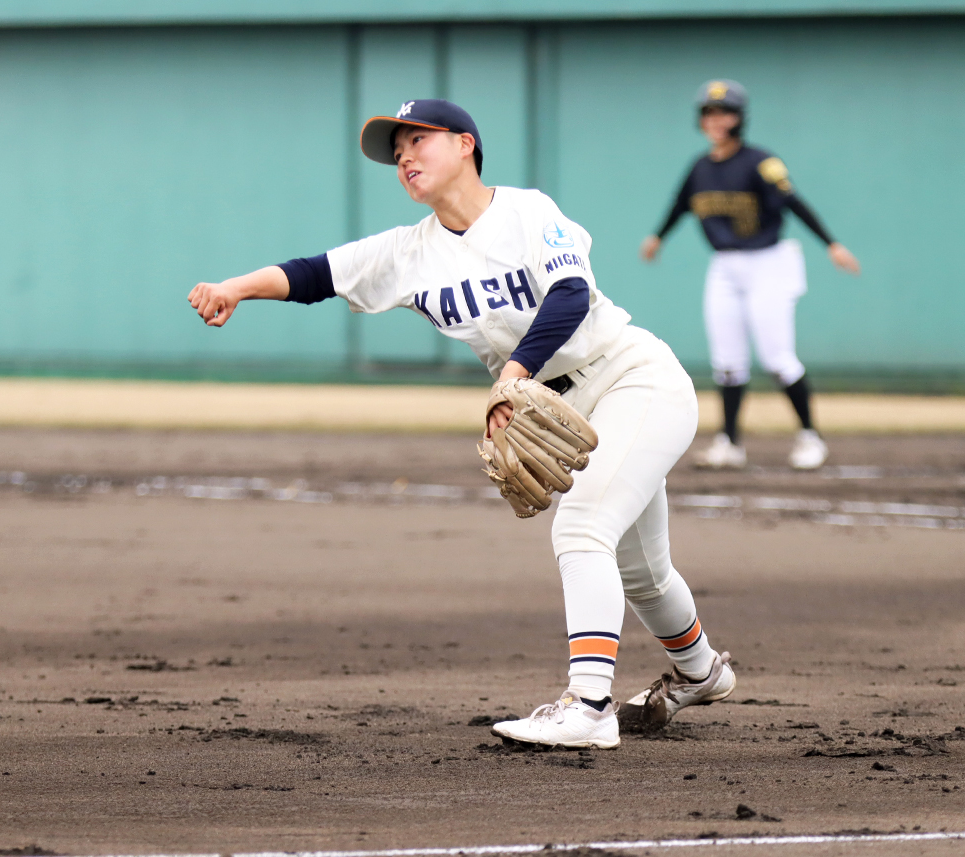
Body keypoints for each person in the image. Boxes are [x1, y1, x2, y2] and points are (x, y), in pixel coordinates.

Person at [188, 99, 735, 749]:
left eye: (418, 141)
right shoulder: (410, 251)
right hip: (561, 405)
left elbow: (569, 295)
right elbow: (317, 275)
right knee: (642, 572)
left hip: (632, 380)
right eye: (397, 154)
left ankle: (589, 706)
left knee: (583, 527)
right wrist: (236, 288)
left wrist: (513, 375)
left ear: (465, 144)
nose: (405, 158)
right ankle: (701, 672)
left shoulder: (527, 213)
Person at [641, 80, 860, 470]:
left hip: (768, 262)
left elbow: (793, 201)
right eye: (709, 112)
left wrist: (831, 243)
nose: (716, 120)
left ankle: (811, 438)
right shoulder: (700, 167)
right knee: (727, 360)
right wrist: (658, 236)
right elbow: (680, 204)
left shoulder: (761, 162)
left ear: (739, 118)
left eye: (724, 112)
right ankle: (729, 443)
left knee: (777, 358)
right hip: (725, 266)